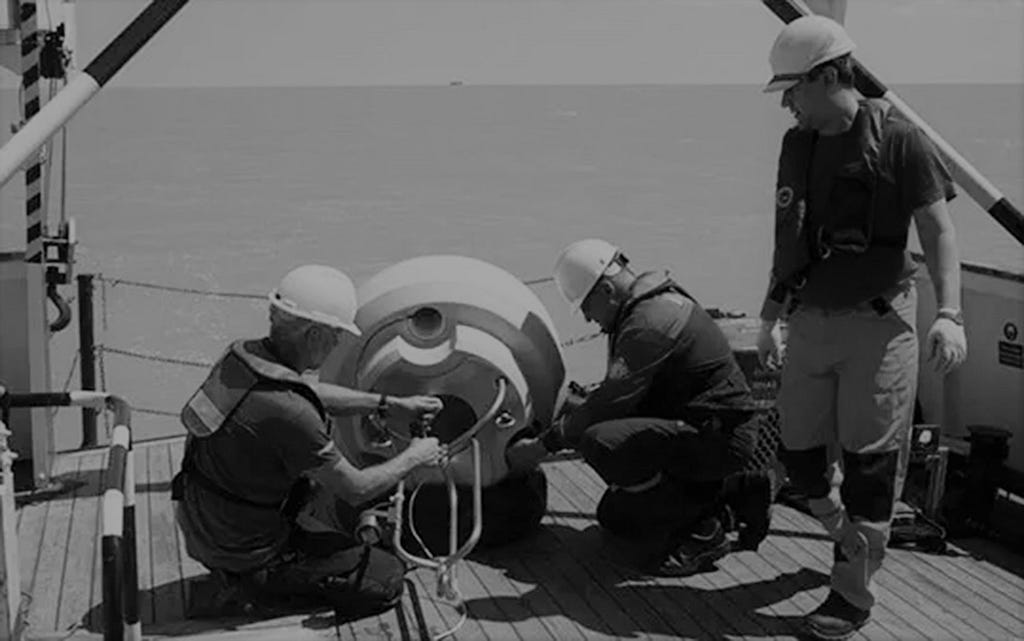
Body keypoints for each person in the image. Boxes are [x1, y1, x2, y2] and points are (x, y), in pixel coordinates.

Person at [756, 16, 967, 641]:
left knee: (870, 465)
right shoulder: (798, 145)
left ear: (828, 75)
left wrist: (950, 314)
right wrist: (770, 317)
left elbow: (939, 232)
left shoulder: (903, 142)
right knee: (796, 455)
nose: (788, 102)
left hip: (880, 324)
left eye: (793, 88)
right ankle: (846, 537)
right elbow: (785, 240)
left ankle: (851, 593)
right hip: (811, 320)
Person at [172, 264, 445, 619]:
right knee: (386, 577)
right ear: (315, 334)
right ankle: (252, 591)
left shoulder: (242, 357)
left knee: (338, 516)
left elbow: (309, 393)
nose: (336, 346)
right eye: (336, 336)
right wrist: (415, 455)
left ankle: (252, 571)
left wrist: (388, 404)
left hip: (204, 525)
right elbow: (357, 488)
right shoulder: (289, 412)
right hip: (245, 551)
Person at [506, 239, 774, 576]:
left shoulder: (649, 323)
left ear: (605, 289)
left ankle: (704, 532)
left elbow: (609, 404)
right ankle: (739, 489)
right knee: (616, 518)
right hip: (696, 426)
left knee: (600, 442)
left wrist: (544, 445)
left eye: (586, 308)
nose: (589, 319)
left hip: (716, 436)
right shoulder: (649, 302)